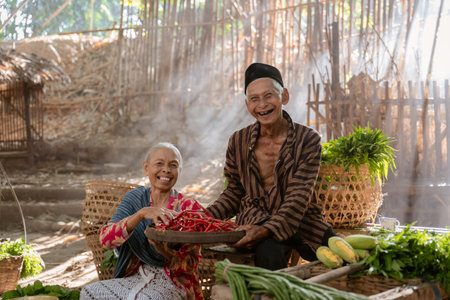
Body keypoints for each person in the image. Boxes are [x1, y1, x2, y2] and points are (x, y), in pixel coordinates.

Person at [206, 63, 335, 270]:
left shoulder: (308, 140)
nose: (262, 105)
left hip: (302, 220)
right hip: (255, 218)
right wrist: (202, 218)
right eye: (254, 99)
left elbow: (298, 197)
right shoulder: (238, 141)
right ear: (247, 104)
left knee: (341, 256)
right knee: (269, 253)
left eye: (269, 95)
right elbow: (234, 193)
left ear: (284, 96)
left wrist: (268, 228)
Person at [81, 142, 204, 300]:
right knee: (89, 292)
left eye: (173, 165)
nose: (166, 169)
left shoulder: (188, 207)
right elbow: (106, 240)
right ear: (146, 168)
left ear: (179, 171)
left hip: (174, 281)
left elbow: (191, 264)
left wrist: (164, 251)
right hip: (136, 275)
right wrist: (140, 215)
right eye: (159, 163)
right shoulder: (135, 200)